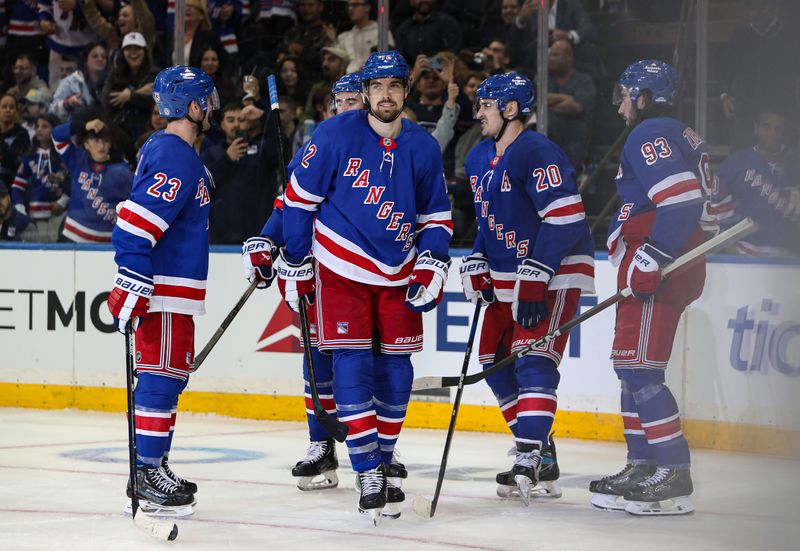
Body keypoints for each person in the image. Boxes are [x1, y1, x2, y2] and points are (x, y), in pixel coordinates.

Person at [278, 50, 452, 523]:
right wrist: (295, 260)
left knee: (397, 366)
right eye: (378, 87)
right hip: (341, 268)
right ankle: (367, 470)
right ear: (367, 92)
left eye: (395, 86)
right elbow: (297, 201)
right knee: (352, 361)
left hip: (399, 271)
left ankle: (384, 454)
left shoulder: (424, 146)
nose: (386, 95)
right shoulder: (333, 134)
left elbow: (436, 216)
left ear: (405, 92)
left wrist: (433, 261)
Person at [463, 72, 594, 504]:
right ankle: (541, 452)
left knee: (533, 358)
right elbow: (487, 219)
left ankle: (527, 453)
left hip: (554, 271)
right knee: (494, 359)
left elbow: (567, 217)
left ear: (511, 109)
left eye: (486, 104)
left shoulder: (538, 151)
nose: (478, 111)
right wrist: (478, 258)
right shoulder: (479, 157)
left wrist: (537, 274)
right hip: (510, 275)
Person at [591, 60, 709, 516]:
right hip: (666, 258)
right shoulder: (680, 132)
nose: (621, 105)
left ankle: (673, 471)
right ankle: (642, 464)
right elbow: (709, 207)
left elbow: (679, 198)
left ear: (643, 96)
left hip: (660, 263)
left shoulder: (650, 131)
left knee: (641, 371)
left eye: (625, 95)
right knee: (629, 368)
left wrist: (654, 255)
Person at [108, 65, 218, 517]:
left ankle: (154, 465)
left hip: (173, 291)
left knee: (166, 379)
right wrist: (132, 279)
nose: (213, 108)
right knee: (158, 380)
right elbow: (136, 225)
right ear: (193, 107)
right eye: (208, 101)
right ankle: (146, 471)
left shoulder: (169, 150)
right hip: (166, 293)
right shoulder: (177, 156)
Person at [708, 108, 800, 257]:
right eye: (766, 126)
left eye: (778, 129)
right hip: (743, 254)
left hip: (786, 258)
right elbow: (714, 208)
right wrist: (729, 247)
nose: (772, 133)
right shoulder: (736, 162)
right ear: (756, 127)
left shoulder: (794, 165)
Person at [51, 117, 133, 243]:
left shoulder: (123, 171)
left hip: (108, 242)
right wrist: (83, 125)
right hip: (73, 237)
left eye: (105, 141)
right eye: (95, 140)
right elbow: (56, 134)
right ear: (86, 144)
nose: (101, 145)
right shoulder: (77, 160)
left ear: (110, 143)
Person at [11, 113, 68, 242]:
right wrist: (19, 207)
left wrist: (63, 201)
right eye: (37, 126)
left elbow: (76, 181)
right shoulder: (29, 158)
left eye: (44, 126)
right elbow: (17, 186)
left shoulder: (63, 156)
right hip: (34, 216)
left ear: (55, 129)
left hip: (60, 216)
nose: (39, 129)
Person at [546, 39, 596, 171]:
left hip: (574, 146)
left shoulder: (584, 81)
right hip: (547, 144)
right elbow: (538, 99)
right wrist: (565, 97)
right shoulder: (544, 79)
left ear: (568, 57)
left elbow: (576, 107)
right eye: (550, 55)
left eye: (556, 55)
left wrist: (546, 105)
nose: (551, 59)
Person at [102, 32, 158, 142]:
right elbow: (107, 100)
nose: (133, 53)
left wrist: (130, 96)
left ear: (145, 51)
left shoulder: (155, 74)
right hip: (120, 133)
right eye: (128, 49)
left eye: (137, 48)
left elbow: (157, 100)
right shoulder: (115, 75)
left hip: (149, 133)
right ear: (122, 53)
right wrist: (139, 92)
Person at [50, 42, 108, 122]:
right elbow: (52, 112)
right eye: (95, 56)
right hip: (76, 129)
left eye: (103, 57)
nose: (100, 59)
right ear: (86, 60)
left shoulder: (110, 81)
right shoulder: (70, 82)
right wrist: (67, 104)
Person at [336, 0, 395, 74]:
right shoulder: (344, 37)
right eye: (348, 6)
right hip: (347, 80)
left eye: (355, 5)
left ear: (367, 7)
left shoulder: (382, 33)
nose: (350, 9)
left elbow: (388, 61)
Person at [394, 0, 462, 63]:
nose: (424, 0)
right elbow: (401, 60)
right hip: (413, 74)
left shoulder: (447, 23)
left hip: (444, 73)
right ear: (411, 1)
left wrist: (427, 66)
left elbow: (452, 55)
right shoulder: (403, 30)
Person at [0, 94, 32, 192]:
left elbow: (16, 163)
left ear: (16, 112)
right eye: (4, 107)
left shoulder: (22, 134)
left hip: (11, 184)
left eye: (12, 107)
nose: (8, 110)